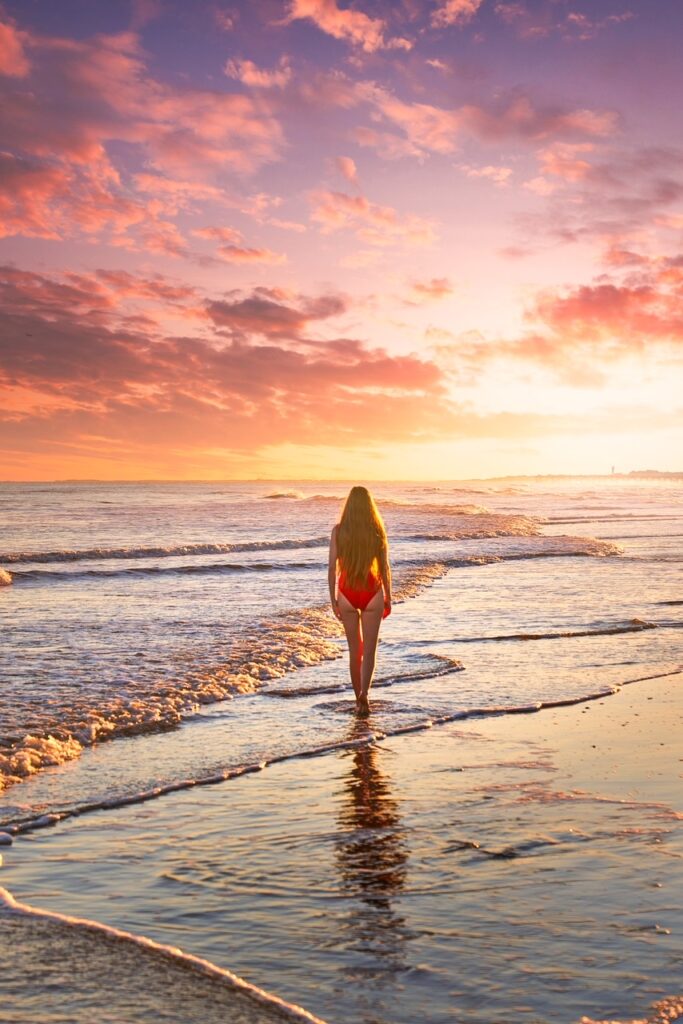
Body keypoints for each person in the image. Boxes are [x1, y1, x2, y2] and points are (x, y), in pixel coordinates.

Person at [328, 486, 392, 714]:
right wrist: (389, 597)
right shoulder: (377, 530)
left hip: (346, 593)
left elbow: (331, 568)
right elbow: (384, 568)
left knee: (355, 650)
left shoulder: (338, 531)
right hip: (371, 592)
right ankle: (365, 694)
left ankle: (357, 700)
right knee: (370, 651)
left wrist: (333, 599)